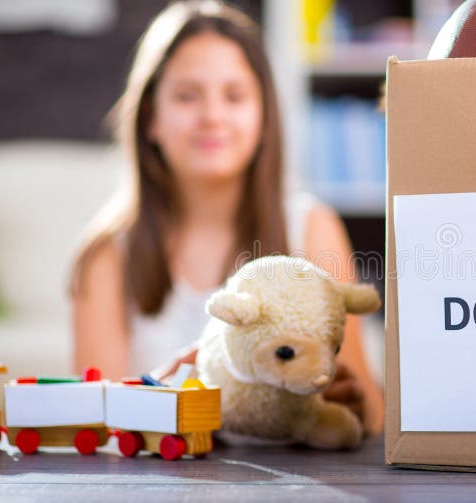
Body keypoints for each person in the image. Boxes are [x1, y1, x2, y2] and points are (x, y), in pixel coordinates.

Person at [69, 0, 383, 434]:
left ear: (263, 117)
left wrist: (351, 403)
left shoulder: (311, 227)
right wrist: (160, 390)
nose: (212, 116)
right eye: (186, 96)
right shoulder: (106, 253)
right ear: (150, 119)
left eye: (234, 96)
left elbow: (371, 412)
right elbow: (91, 424)